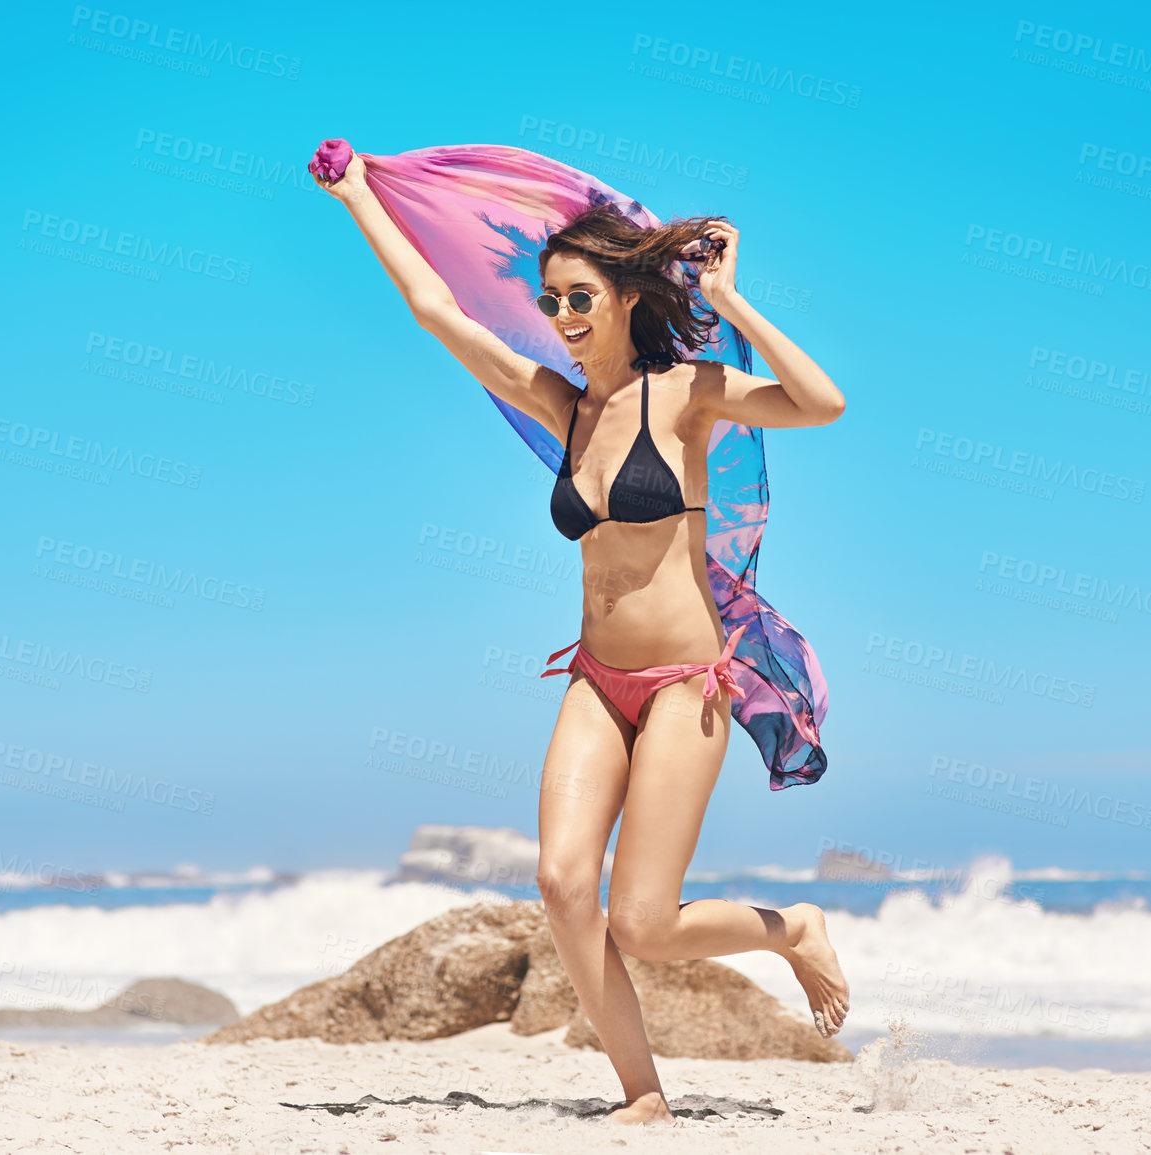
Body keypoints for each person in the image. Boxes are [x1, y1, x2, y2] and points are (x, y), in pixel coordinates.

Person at [314, 151, 849, 1126]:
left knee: (645, 923)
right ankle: (641, 1093)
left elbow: (821, 403)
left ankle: (790, 928)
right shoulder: (564, 407)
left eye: (579, 298)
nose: (562, 317)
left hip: (691, 683)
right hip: (597, 679)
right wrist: (358, 198)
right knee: (562, 884)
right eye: (551, 300)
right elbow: (438, 313)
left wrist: (735, 301)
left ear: (625, 297)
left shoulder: (689, 394)